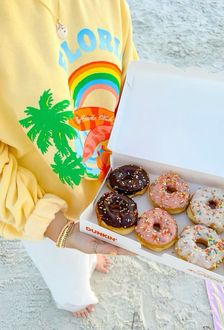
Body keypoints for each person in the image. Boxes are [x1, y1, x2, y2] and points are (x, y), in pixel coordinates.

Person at [0, 0, 138, 318]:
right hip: (40, 207)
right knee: (67, 275)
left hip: (105, 188)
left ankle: (88, 262)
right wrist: (58, 228)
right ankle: (73, 300)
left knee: (88, 253)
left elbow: (131, 77)